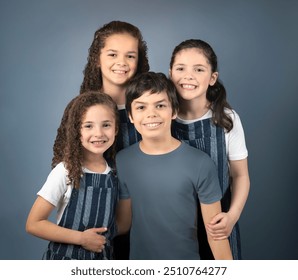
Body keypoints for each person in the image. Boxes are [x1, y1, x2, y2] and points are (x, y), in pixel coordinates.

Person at [52, 20, 150, 259]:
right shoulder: (80, 109)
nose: (122, 63)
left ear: (139, 62)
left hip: (146, 215)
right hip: (93, 224)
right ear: (97, 58)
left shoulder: (150, 109)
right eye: (113, 54)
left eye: (130, 56)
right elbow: (63, 164)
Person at [116, 71, 233, 260]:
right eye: (141, 107)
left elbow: (216, 235)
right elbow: (123, 223)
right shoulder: (122, 161)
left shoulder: (200, 163)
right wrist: (78, 235)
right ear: (130, 115)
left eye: (160, 105)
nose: (151, 114)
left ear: (174, 111)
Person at [169, 39, 250, 260]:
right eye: (181, 68)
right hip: (174, 228)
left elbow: (240, 176)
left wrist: (231, 217)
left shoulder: (226, 119)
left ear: (212, 78)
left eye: (199, 69)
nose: (188, 76)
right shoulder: (160, 118)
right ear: (170, 74)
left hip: (218, 224)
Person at [26, 92, 119, 260]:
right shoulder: (65, 171)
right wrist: (82, 238)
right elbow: (34, 223)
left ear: (116, 128)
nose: (98, 133)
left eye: (106, 125)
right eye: (88, 126)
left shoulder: (115, 172)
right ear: (76, 130)